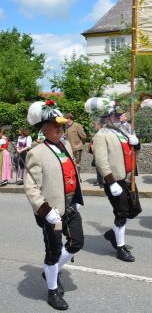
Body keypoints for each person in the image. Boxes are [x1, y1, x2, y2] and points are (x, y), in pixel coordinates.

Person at [24, 100, 84, 310]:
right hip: (52, 213)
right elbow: (31, 187)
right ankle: (52, 291)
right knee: (54, 250)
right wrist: (45, 211)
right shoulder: (36, 153)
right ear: (44, 129)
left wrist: (76, 198)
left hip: (69, 206)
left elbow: (71, 174)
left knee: (77, 242)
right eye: (55, 127)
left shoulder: (65, 145)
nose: (60, 130)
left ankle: (52, 269)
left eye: (61, 127)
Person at [89, 98, 142, 262]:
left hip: (127, 178)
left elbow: (132, 153)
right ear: (107, 118)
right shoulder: (101, 135)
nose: (120, 118)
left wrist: (137, 144)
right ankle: (120, 247)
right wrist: (111, 182)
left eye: (120, 116)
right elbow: (101, 161)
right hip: (115, 181)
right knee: (122, 214)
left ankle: (112, 233)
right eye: (116, 116)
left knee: (134, 210)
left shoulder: (122, 132)